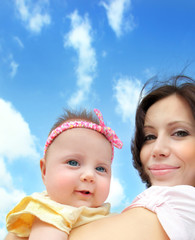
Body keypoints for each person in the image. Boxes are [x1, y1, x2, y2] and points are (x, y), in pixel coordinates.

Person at [5, 74, 195, 240]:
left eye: (180, 133)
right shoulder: (49, 213)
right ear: (44, 170)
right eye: (149, 137)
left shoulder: (183, 205)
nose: (157, 149)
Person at [5, 108, 123, 240]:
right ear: (44, 171)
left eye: (100, 169)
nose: (90, 175)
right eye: (73, 162)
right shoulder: (51, 212)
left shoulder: (107, 213)